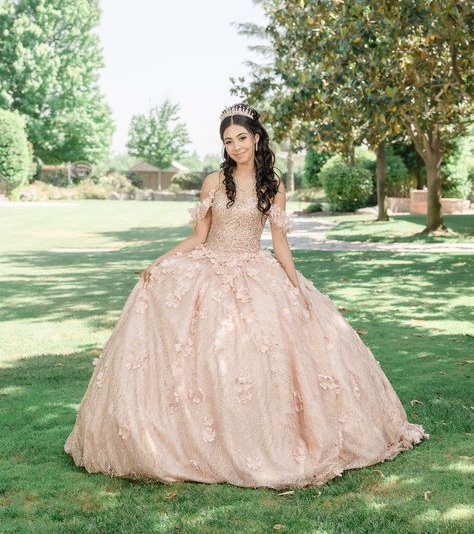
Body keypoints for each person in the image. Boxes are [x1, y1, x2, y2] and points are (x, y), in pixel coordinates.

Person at [64, 103, 429, 489]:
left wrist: (295, 285)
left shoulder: (274, 185)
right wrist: (159, 263)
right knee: (199, 354)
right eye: (228, 140)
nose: (236, 146)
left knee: (257, 355)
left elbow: (280, 242)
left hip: (255, 270)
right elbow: (198, 237)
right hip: (208, 270)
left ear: (256, 138)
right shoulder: (213, 181)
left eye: (241, 138)